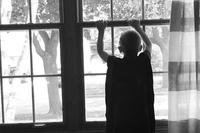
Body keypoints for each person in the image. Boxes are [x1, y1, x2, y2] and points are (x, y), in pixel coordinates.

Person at [96, 20, 155, 133]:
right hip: (141, 117)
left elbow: (100, 51)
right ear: (140, 48)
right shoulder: (143, 61)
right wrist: (137, 27)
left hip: (120, 118)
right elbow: (149, 44)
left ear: (120, 49)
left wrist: (101, 31)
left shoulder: (114, 64)